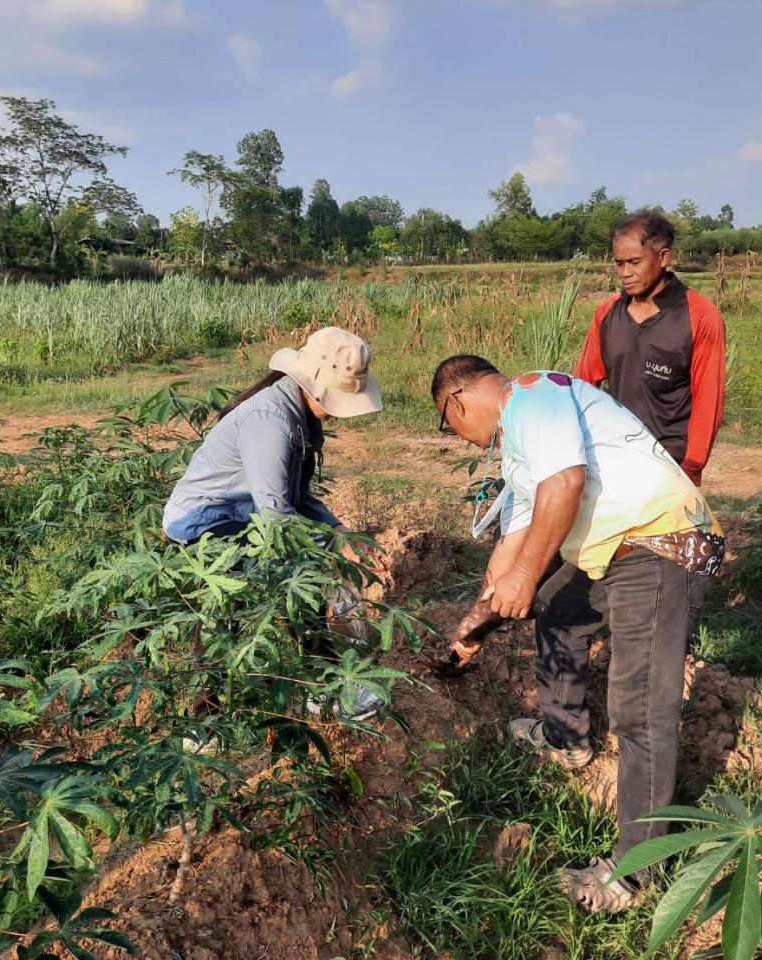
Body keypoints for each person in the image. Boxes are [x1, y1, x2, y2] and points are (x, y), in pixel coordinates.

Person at [432, 355, 724, 913]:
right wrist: (475, 623)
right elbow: (514, 548)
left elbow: (566, 485)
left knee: (639, 711)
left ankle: (635, 873)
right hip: (618, 549)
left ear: (458, 402)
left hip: (661, 543)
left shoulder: (533, 396)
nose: (464, 441)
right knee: (556, 610)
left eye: (452, 428)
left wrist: (521, 576)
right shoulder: (523, 450)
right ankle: (566, 738)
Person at [163, 325, 384, 720]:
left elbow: (294, 496)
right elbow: (277, 516)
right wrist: (325, 569)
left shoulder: (296, 413)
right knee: (228, 613)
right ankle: (204, 719)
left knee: (300, 579)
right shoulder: (271, 421)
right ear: (313, 385)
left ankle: (323, 684)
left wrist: (335, 529)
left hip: (239, 517)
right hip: (204, 523)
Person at [574, 209, 725, 486]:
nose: (625, 273)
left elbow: (708, 398)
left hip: (671, 462)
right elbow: (583, 386)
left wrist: (691, 467)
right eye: (619, 264)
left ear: (664, 257)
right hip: (615, 454)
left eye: (634, 262)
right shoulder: (607, 313)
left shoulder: (699, 315)